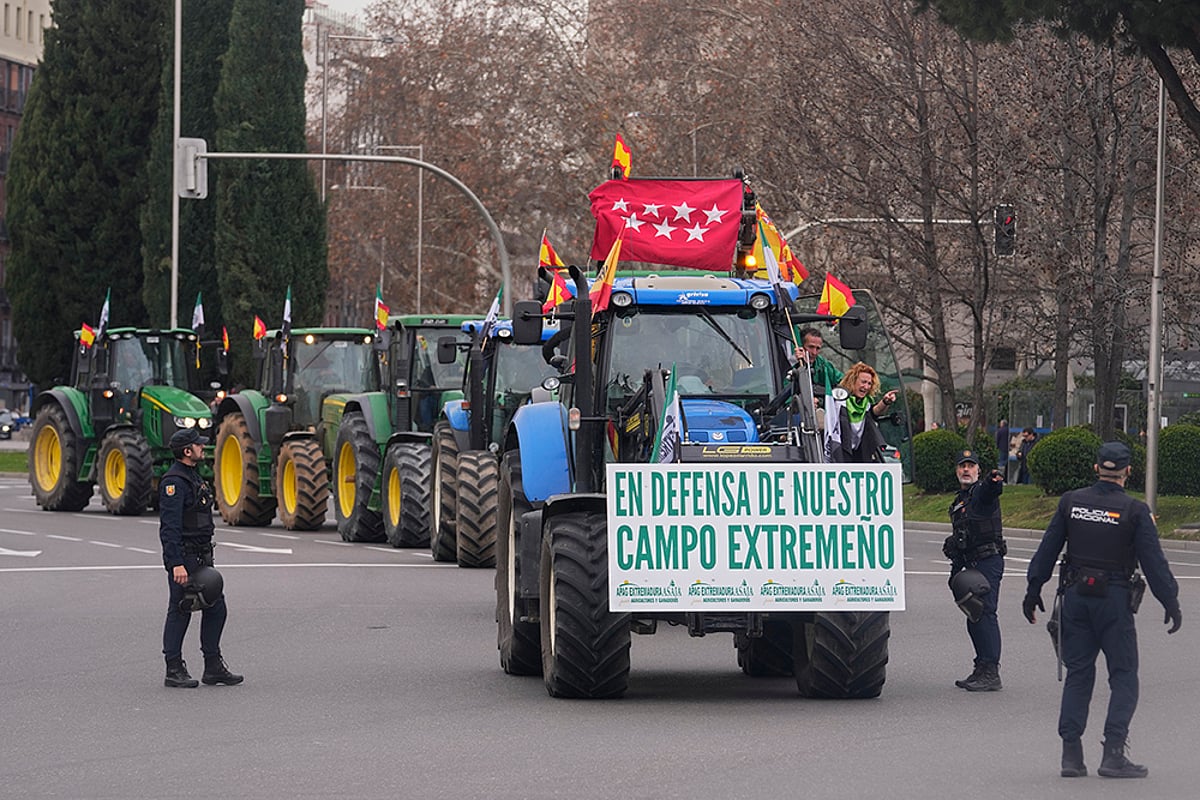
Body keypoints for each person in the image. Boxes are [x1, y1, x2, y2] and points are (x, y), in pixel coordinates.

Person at [1023, 441, 1181, 779]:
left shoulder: (1071, 502)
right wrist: (1171, 601)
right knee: (1123, 676)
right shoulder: (1135, 511)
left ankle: (1071, 755)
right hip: (1114, 601)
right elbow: (1154, 563)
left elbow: (1048, 548)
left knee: (1079, 674)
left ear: (1096, 468)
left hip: (1076, 598)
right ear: (1128, 471)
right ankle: (1113, 754)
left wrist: (1033, 589)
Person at [159, 428, 243, 688]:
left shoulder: (193, 477)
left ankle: (213, 666)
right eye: (198, 445)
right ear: (187, 451)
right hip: (186, 558)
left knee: (216, 607)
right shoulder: (174, 482)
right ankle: (173, 668)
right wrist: (175, 564)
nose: (202, 447)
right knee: (181, 609)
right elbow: (169, 528)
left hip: (202, 555)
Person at [943, 449, 1007, 691]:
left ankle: (991, 672)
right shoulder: (960, 500)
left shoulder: (980, 492)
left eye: (971, 466)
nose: (966, 470)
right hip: (971, 563)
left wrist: (993, 481)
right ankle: (981, 667)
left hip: (988, 560)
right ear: (957, 470)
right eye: (962, 466)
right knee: (974, 616)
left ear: (978, 470)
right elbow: (964, 535)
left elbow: (990, 492)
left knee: (985, 613)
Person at [824, 361, 898, 463]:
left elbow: (874, 412)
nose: (866, 387)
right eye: (863, 382)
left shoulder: (866, 403)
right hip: (840, 455)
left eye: (869, 383)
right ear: (853, 381)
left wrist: (885, 401)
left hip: (860, 455)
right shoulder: (839, 402)